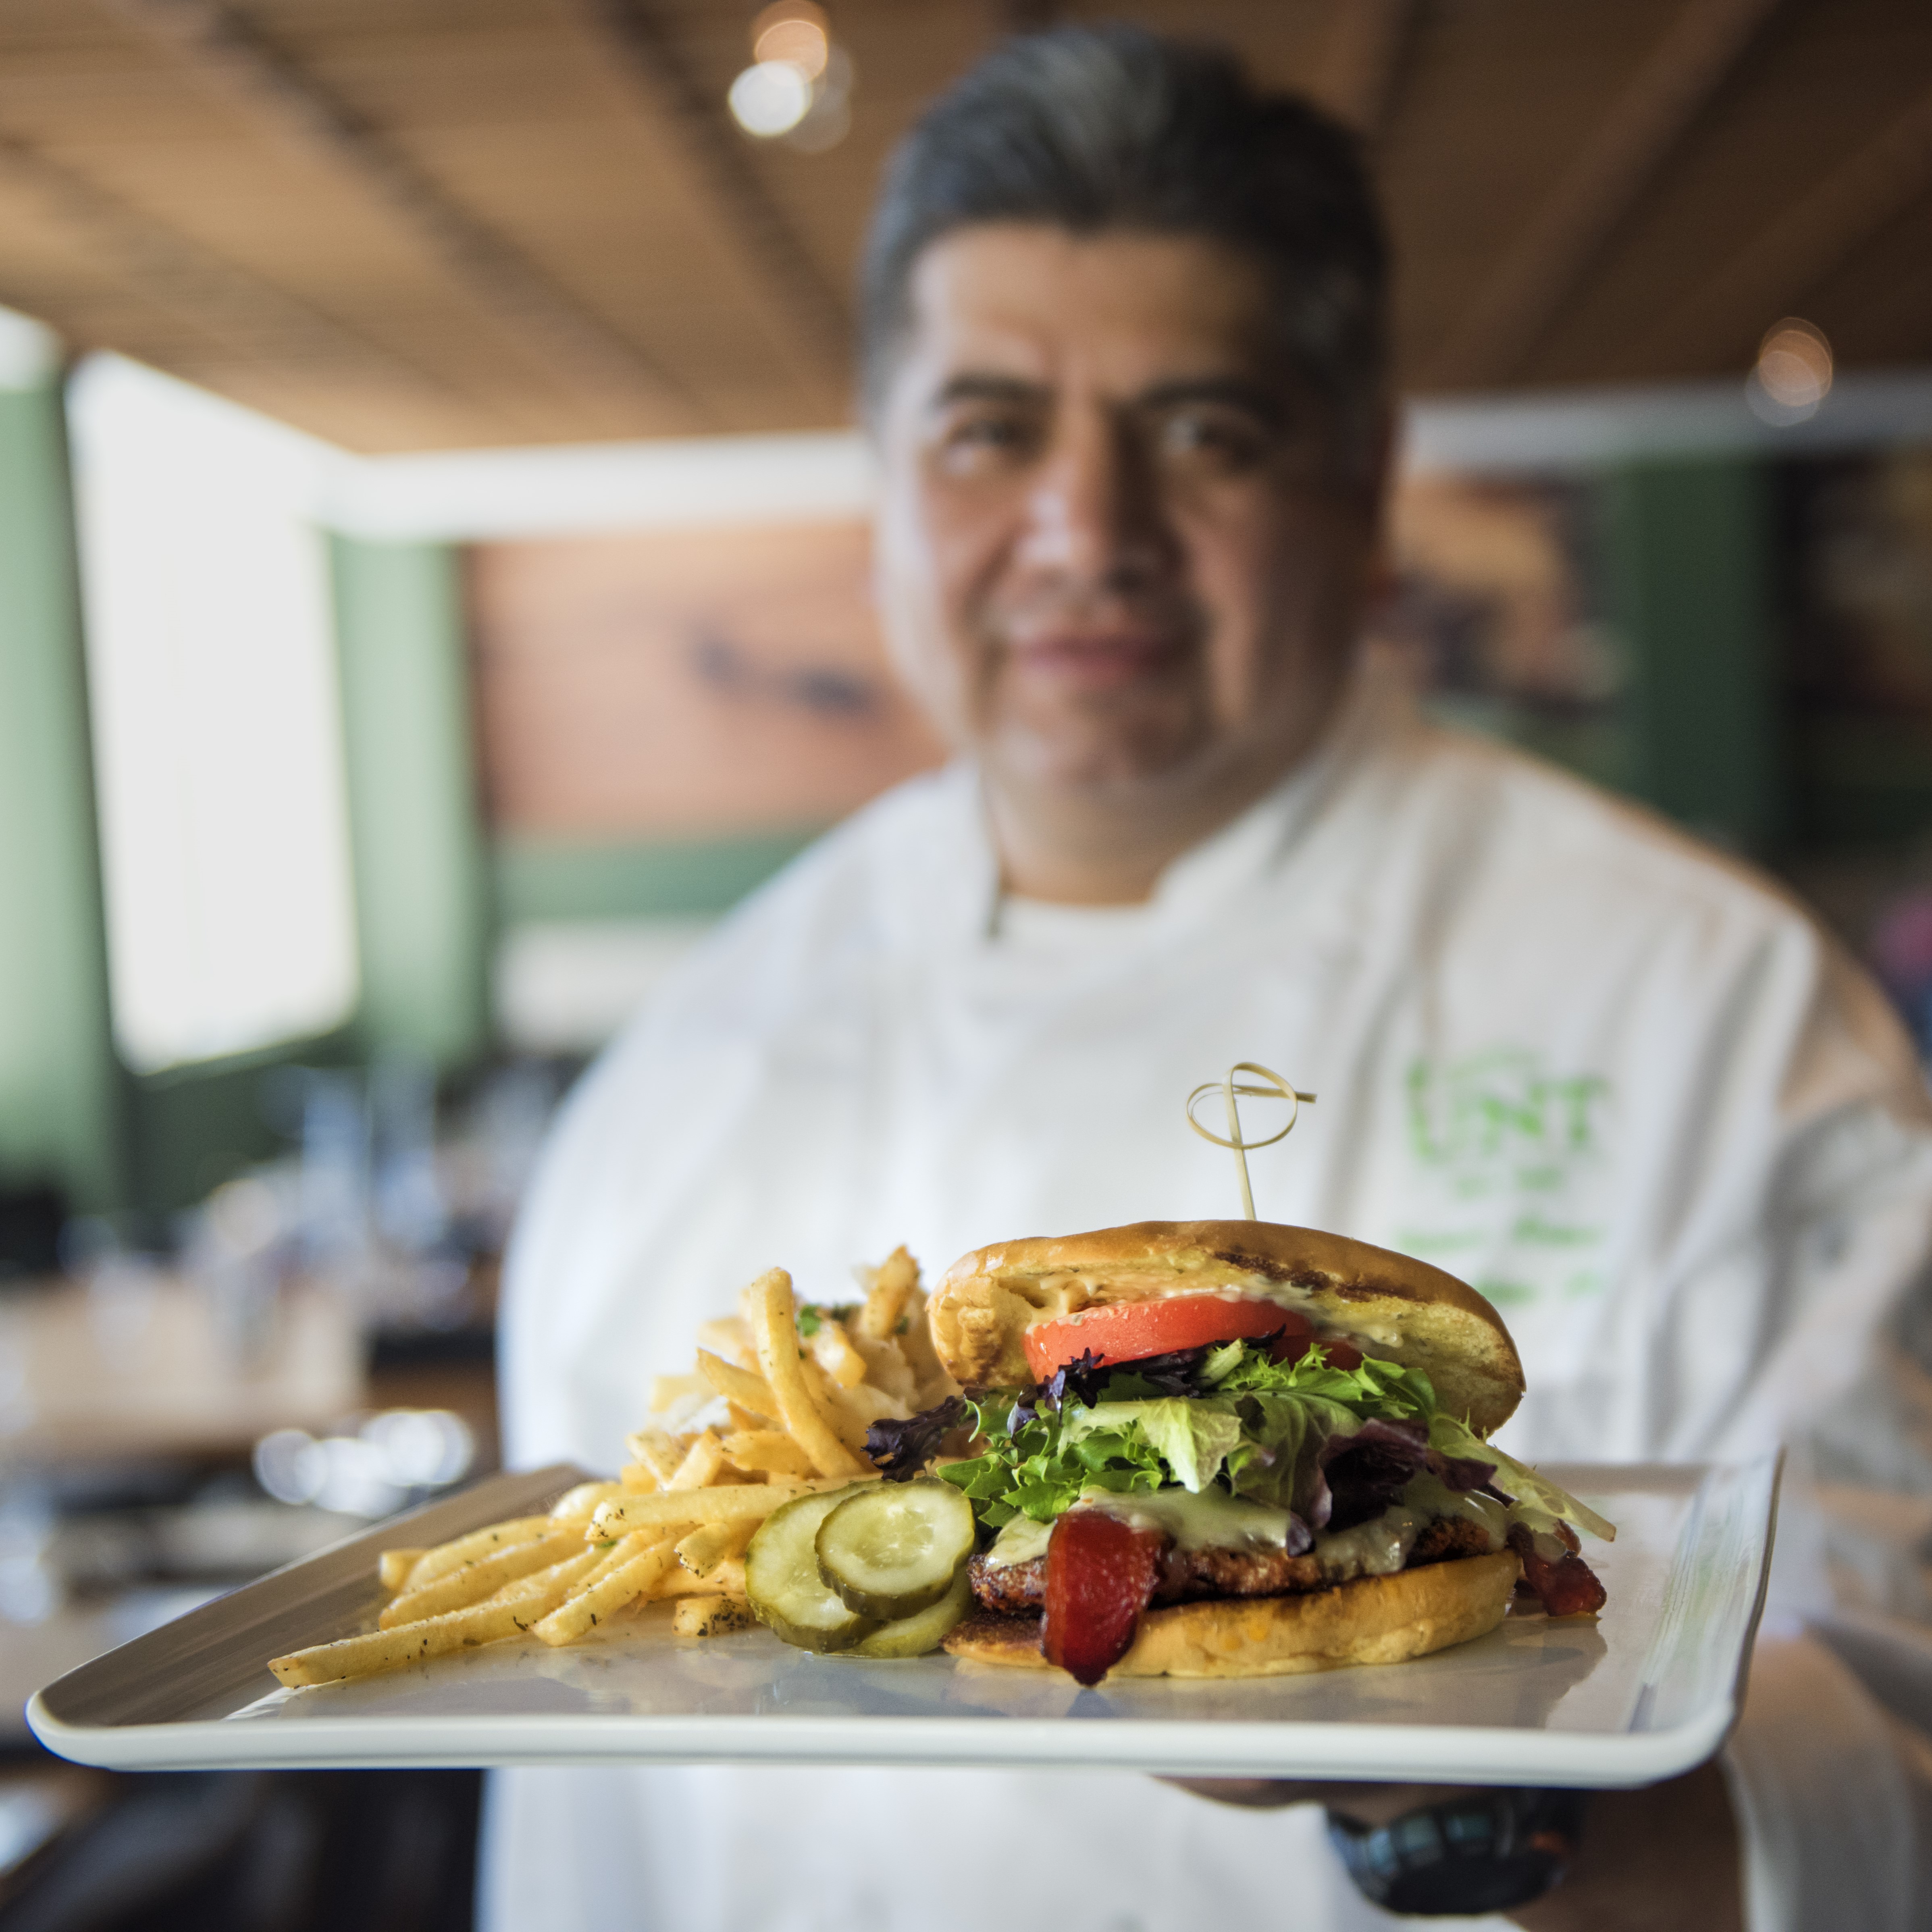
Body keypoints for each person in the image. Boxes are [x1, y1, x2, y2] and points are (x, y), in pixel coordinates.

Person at [486, 26, 1932, 1931]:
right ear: (889, 488)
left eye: (1202, 432)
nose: (1089, 533)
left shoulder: (1713, 1007)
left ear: (1358, 484)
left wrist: (1473, 1804)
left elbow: (1893, 1753)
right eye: (990, 429)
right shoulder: (681, 1071)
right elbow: (582, 1796)